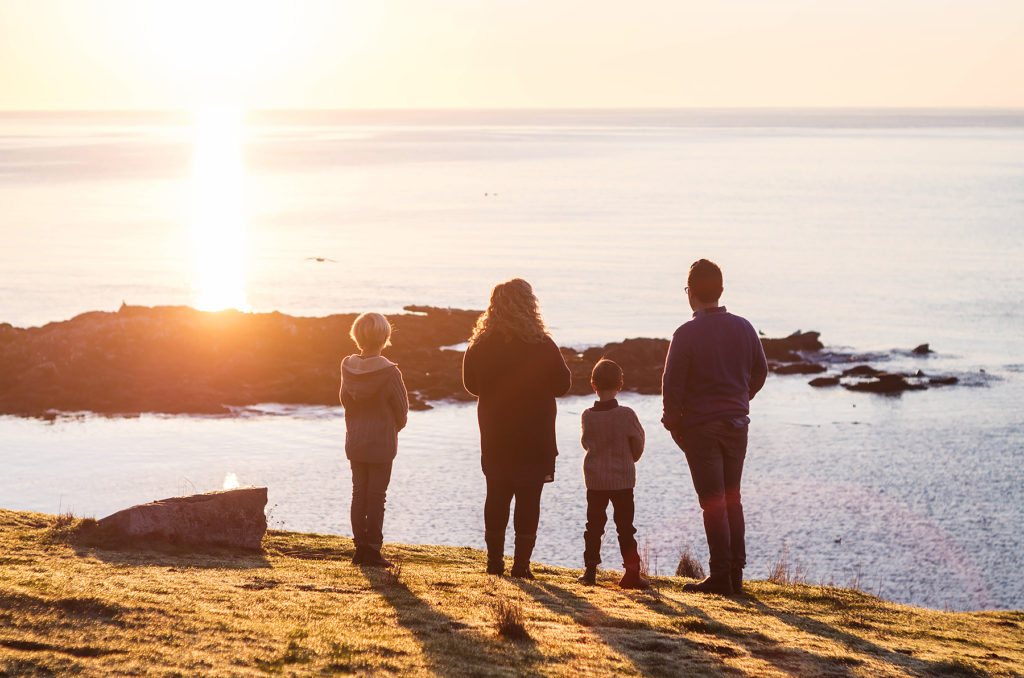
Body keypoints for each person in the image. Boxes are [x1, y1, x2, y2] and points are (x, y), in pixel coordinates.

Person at [661, 259, 768, 595]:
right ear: (721, 290)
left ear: (689, 292)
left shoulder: (686, 334)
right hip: (737, 425)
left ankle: (721, 574)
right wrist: (741, 399)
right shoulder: (744, 327)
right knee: (732, 499)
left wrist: (673, 425)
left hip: (701, 428)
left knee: (713, 502)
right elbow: (760, 372)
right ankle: (735, 572)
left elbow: (672, 385)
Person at [463, 278, 571, 578]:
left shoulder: (480, 346)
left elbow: (470, 384)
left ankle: (494, 563)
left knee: (496, 495)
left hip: (495, 434)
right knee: (528, 499)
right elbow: (563, 385)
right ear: (530, 305)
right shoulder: (543, 345)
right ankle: (521, 567)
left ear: (494, 307)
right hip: (534, 436)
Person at [339, 312, 409, 568]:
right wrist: (391, 428)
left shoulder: (348, 366)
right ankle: (373, 549)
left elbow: (345, 400)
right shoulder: (390, 372)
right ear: (385, 337)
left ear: (357, 336)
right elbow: (402, 411)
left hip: (355, 439)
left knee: (359, 493)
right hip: (381, 442)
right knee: (376, 496)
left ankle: (359, 548)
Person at [577, 359, 648, 589]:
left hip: (595, 480)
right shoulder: (627, 415)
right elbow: (638, 442)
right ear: (620, 384)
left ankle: (590, 571)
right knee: (625, 527)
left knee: (594, 526)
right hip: (622, 480)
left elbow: (586, 443)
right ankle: (631, 573)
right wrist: (630, 459)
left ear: (593, 384)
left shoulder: (587, 415)